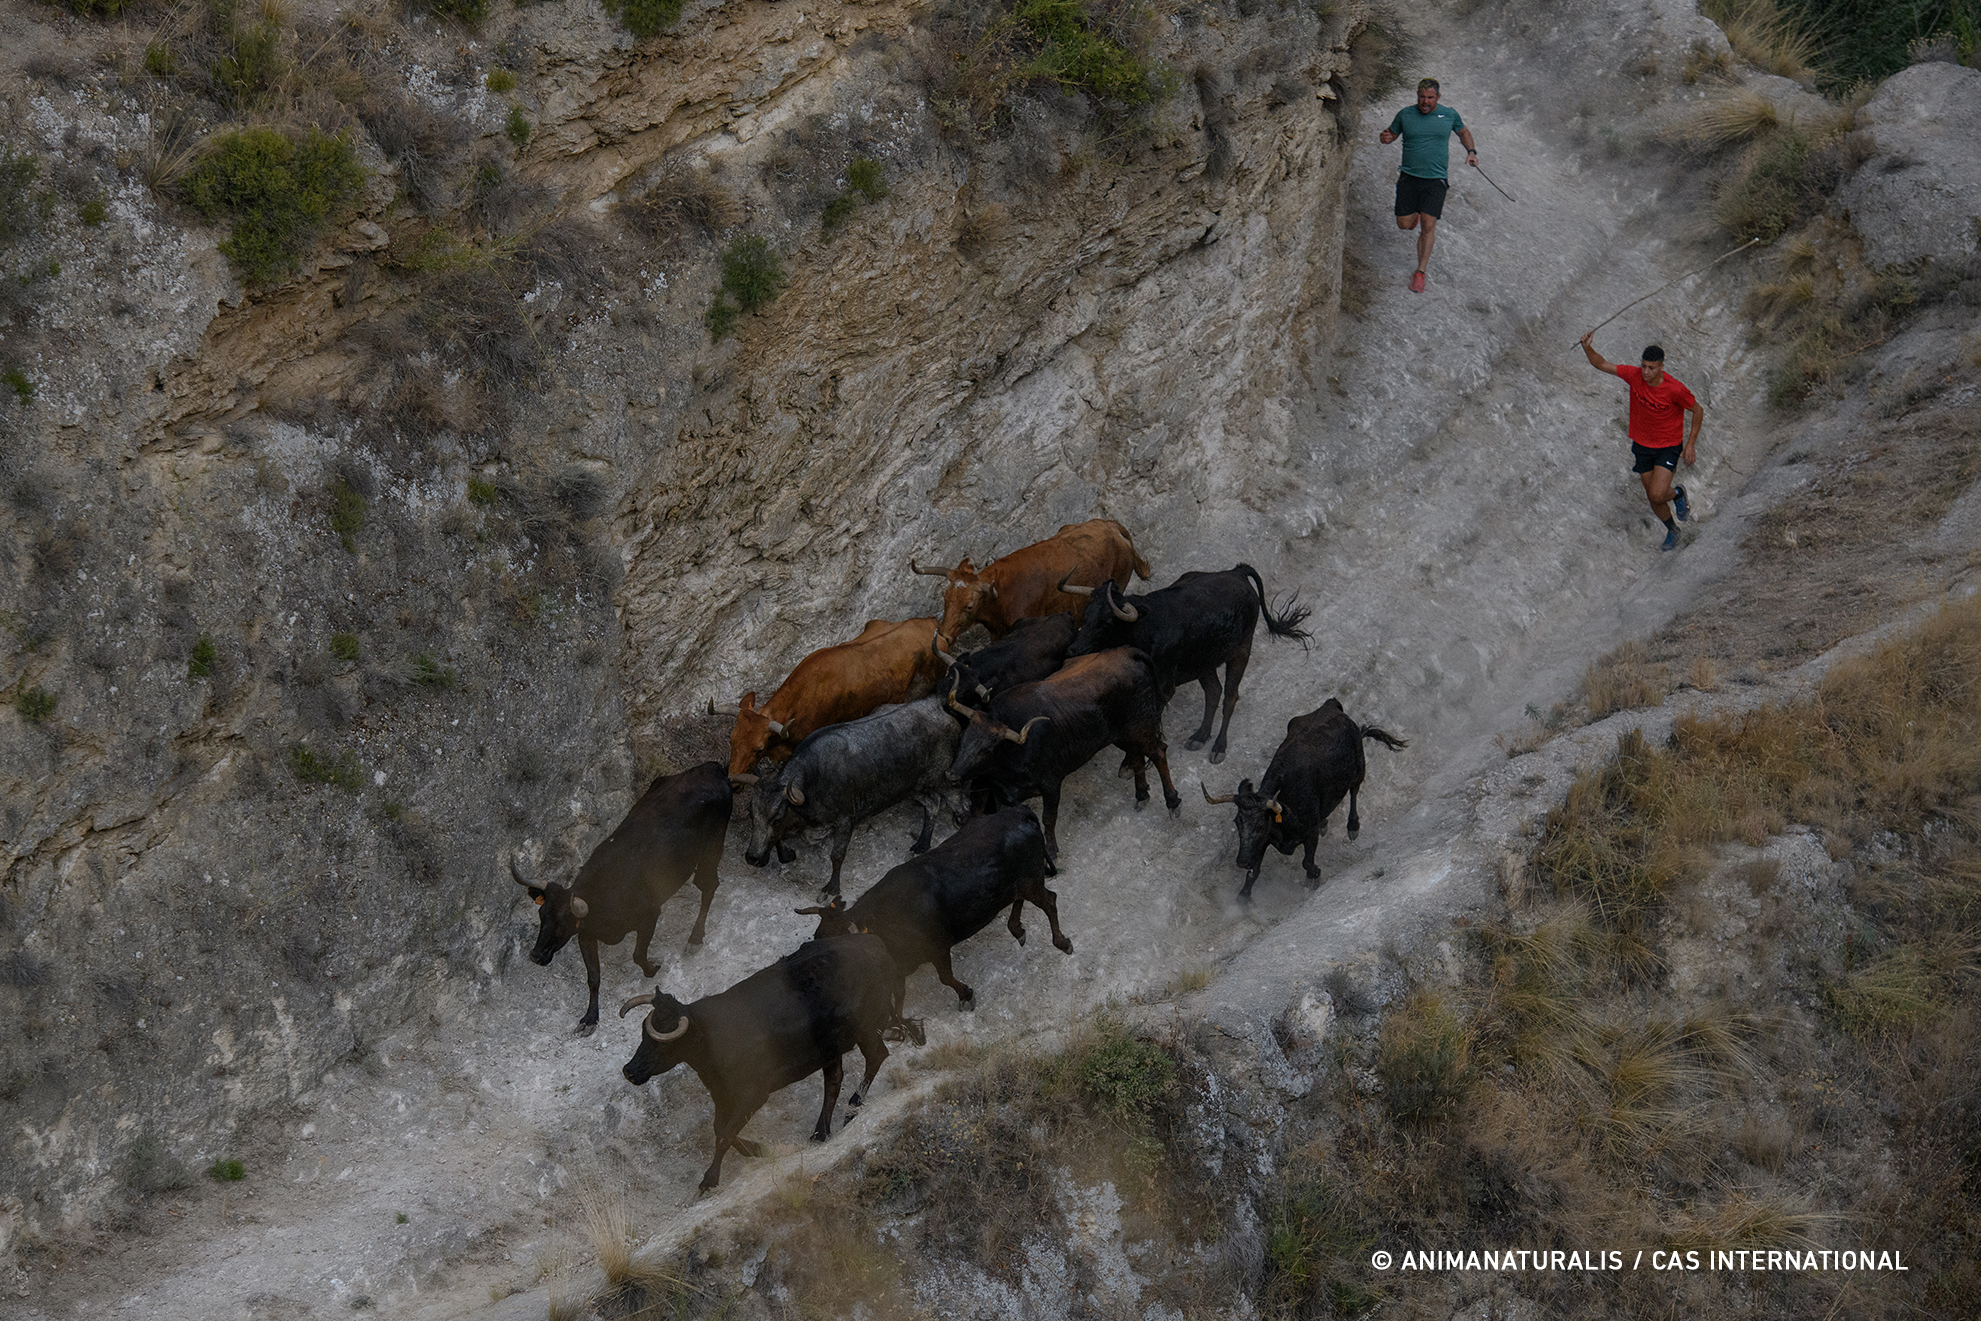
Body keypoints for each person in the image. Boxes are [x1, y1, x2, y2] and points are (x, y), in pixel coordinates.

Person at [1579, 333, 1704, 552]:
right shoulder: (1634, 375)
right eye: (1644, 366)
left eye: (1651, 368)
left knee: (1657, 493)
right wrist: (1587, 348)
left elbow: (1698, 410)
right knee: (1653, 498)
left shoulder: (1675, 389)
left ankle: (1678, 494)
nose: (1646, 372)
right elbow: (1601, 364)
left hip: (1668, 446)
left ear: (1661, 367)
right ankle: (1673, 530)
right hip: (1643, 445)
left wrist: (1691, 444)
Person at [1378, 78, 1477, 293]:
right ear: (1417, 96)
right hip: (1409, 177)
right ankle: (1413, 217)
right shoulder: (1405, 114)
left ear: (1438, 98)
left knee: (1429, 225)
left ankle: (1420, 271)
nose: (1425, 101)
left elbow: (1463, 133)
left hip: (1436, 179)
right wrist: (1385, 137)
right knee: (1403, 224)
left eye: (1430, 97)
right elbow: (1391, 134)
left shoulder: (1449, 114)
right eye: (1422, 97)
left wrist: (1471, 152)